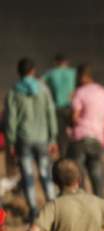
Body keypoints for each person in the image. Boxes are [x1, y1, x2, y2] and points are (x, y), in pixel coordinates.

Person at [5, 57, 58, 221]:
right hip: (43, 139)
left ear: (18, 72)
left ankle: (34, 211)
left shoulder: (14, 92)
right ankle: (53, 208)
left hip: (23, 140)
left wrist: (11, 142)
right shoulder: (44, 90)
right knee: (45, 174)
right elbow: (51, 113)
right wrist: (53, 138)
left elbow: (11, 120)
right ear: (33, 71)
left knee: (27, 175)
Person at [67, 64, 104, 198]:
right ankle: (100, 208)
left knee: (78, 180)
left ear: (82, 77)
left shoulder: (80, 92)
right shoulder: (103, 92)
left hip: (80, 138)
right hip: (97, 140)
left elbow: (74, 117)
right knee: (98, 179)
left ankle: (82, 208)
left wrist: (69, 121)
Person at [42, 54, 76, 155]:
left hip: (57, 109)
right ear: (67, 62)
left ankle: (64, 156)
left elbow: (39, 83)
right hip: (72, 108)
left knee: (61, 136)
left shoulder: (51, 73)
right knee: (74, 134)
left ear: (56, 62)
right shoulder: (73, 72)